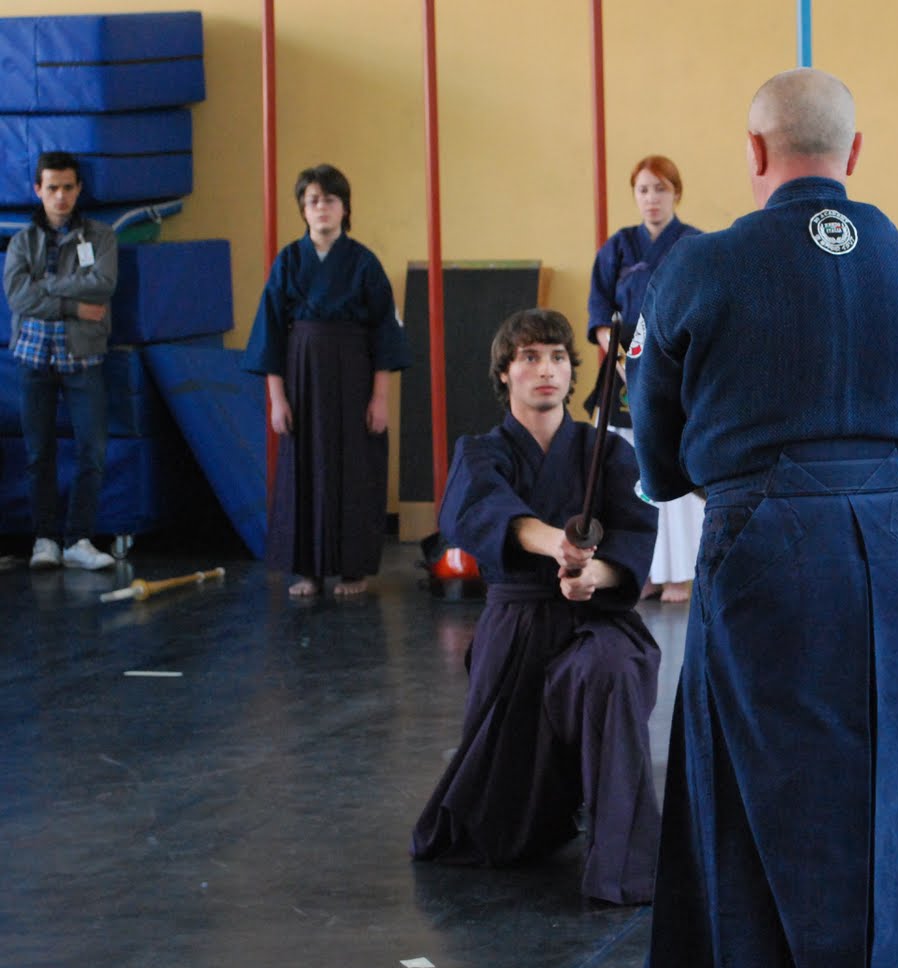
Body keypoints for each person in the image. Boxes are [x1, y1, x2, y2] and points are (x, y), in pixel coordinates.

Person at [628, 68, 898, 968]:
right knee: (892, 782)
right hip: (896, 539)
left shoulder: (704, 268)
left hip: (769, 541)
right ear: (853, 154)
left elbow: (657, 460)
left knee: (751, 792)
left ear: (752, 154)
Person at [410, 308, 661, 905]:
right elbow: (483, 511)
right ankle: (551, 809)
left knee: (613, 670)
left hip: (594, 618)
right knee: (497, 830)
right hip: (517, 624)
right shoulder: (481, 452)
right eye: (528, 357)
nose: (544, 369)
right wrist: (560, 546)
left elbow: (634, 532)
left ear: (572, 375)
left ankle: (623, 863)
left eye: (555, 357)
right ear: (505, 374)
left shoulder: (609, 453)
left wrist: (592, 574)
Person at [241, 164, 407, 598]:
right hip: (301, 375)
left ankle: (353, 570)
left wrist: (380, 397)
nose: (322, 208)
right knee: (303, 467)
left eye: (330, 200)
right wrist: (277, 400)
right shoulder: (289, 261)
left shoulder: (364, 263)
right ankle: (308, 570)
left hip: (354, 374)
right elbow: (271, 334)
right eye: (313, 200)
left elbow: (385, 335)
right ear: (303, 208)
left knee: (355, 467)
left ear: (345, 208)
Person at [586, 155, 704, 603]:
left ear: (676, 192)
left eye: (660, 188)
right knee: (631, 470)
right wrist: (619, 356)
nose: (651, 198)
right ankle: (643, 569)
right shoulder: (617, 248)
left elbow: (704, 309)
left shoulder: (695, 245)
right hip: (622, 370)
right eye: (643, 190)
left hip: (675, 369)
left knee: (676, 464)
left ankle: (681, 574)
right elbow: (599, 310)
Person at [4, 151, 118, 571]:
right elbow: (18, 296)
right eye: (52, 188)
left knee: (93, 449)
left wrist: (47, 286)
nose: (61, 196)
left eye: (68, 187)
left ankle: (79, 538)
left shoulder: (101, 237)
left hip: (83, 357)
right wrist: (72, 306)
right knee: (39, 452)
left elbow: (103, 284)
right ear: (38, 190)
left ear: (79, 189)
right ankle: (45, 539)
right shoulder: (21, 242)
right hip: (34, 357)